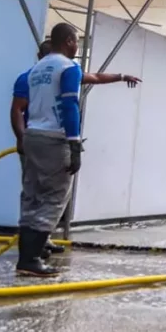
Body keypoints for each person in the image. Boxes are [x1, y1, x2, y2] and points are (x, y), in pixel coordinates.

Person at [10, 39, 141, 264]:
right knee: (52, 195)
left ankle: (37, 245)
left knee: (34, 194)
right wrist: (73, 144)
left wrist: (121, 76)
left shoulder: (32, 74)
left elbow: (95, 78)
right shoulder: (59, 70)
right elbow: (27, 109)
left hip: (33, 138)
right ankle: (30, 257)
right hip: (48, 140)